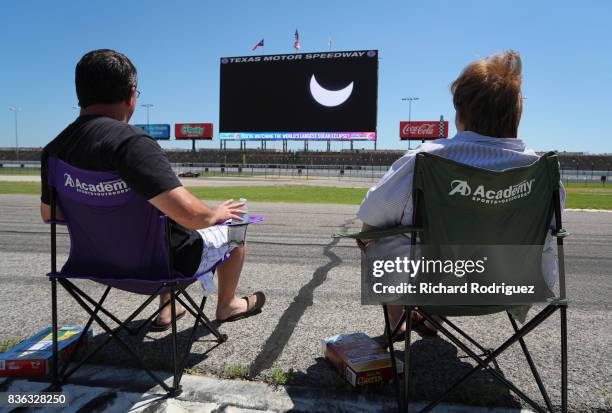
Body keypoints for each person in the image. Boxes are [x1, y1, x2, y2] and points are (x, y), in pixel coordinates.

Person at [40, 49, 265, 330]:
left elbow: (51, 214)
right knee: (235, 226)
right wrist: (215, 213)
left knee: (159, 218)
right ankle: (228, 305)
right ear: (131, 95)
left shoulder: (54, 150)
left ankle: (169, 307)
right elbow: (193, 217)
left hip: (95, 264)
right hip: (158, 269)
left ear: (80, 94)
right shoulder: (131, 143)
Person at [357, 50, 563, 339]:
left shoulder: (426, 159)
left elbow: (372, 212)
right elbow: (553, 227)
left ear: (460, 113)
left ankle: (398, 320)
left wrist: (368, 233)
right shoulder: (541, 170)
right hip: (516, 284)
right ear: (516, 114)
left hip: (437, 283)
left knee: (372, 233)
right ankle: (432, 318)